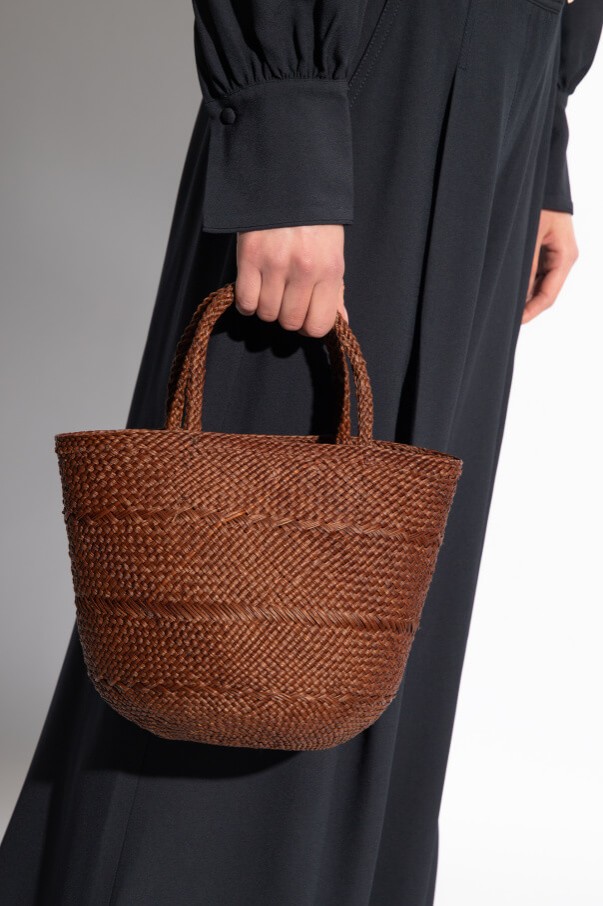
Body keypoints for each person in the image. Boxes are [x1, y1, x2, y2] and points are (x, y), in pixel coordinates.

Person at [1, 1, 601, 903]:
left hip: (508, 89)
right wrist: (285, 130)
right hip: (361, 69)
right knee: (230, 617)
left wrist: (543, 128)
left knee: (373, 607)